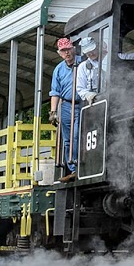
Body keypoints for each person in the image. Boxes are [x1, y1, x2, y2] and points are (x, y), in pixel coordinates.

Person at [50, 37, 81, 177]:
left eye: (68, 49)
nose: (67, 53)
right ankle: (72, 168)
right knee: (67, 139)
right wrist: (53, 112)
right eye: (63, 51)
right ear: (59, 53)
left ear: (73, 48)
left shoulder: (83, 62)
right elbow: (55, 92)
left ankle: (79, 163)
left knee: (76, 135)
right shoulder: (58, 69)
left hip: (82, 104)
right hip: (66, 105)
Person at [77, 35, 104, 105]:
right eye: (88, 52)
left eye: (92, 50)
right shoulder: (82, 67)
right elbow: (80, 88)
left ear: (97, 47)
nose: (91, 53)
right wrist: (88, 95)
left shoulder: (107, 59)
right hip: (94, 102)